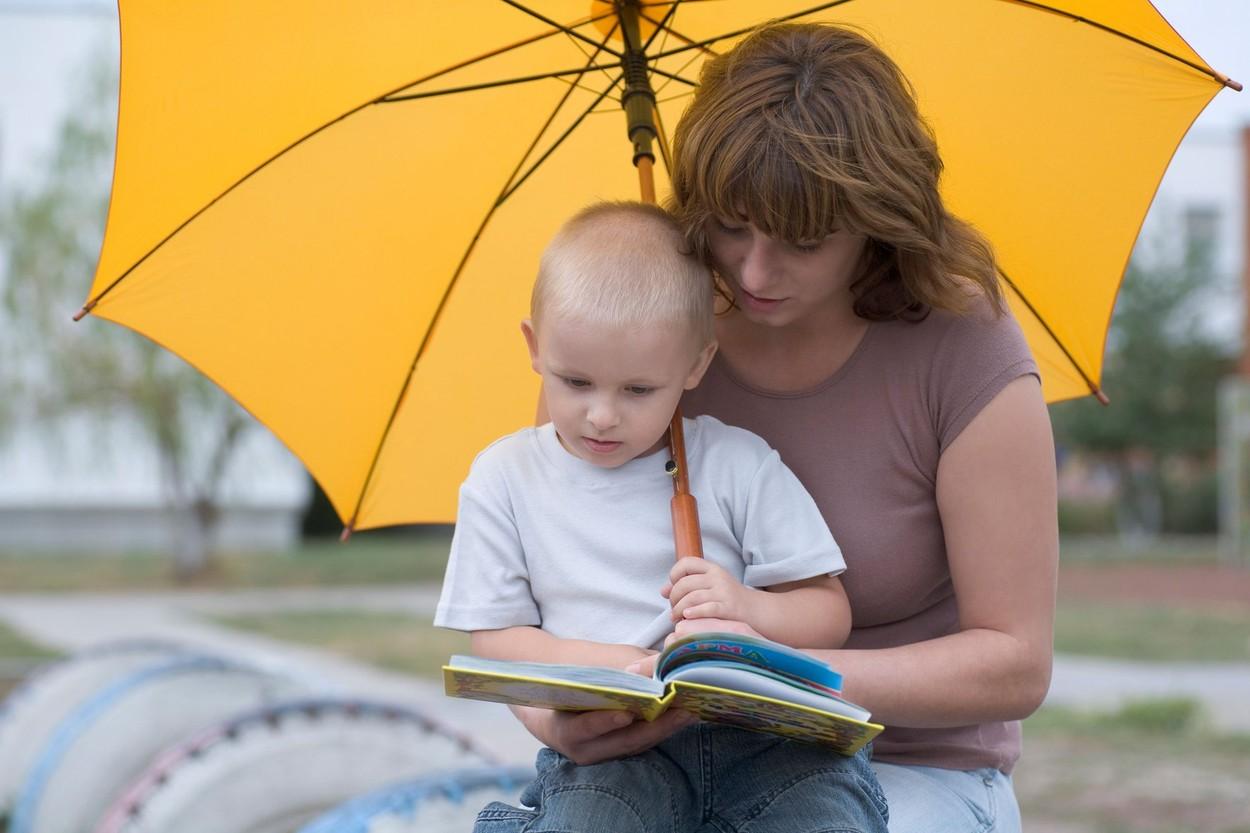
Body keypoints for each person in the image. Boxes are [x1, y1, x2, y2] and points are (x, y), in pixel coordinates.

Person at [508, 23, 1058, 833]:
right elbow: (533, 608)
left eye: (803, 240)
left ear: (876, 217)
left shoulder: (964, 349)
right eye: (733, 226)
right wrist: (555, 720)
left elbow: (1015, 663)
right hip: (662, 767)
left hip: (914, 766)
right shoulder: (636, 337)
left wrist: (773, 675)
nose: (756, 272)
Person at [434, 201, 889, 833]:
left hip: (763, 745)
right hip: (615, 751)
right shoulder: (504, 479)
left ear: (696, 364)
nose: (602, 415)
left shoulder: (737, 464)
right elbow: (496, 640)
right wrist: (613, 664)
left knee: (826, 814)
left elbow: (827, 608)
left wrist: (749, 609)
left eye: (638, 390)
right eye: (576, 381)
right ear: (535, 349)